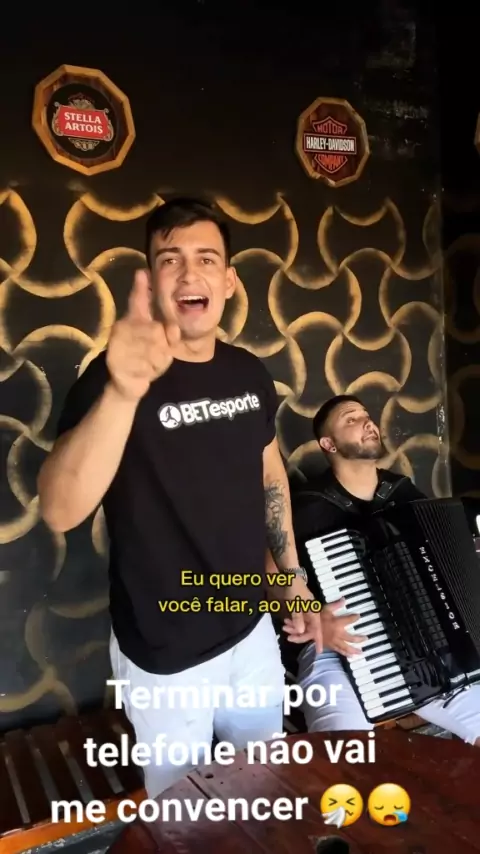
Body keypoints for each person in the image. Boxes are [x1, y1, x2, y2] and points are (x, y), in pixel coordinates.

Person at [37, 197, 322, 797]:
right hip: (165, 655)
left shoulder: (248, 374)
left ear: (229, 280)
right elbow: (61, 509)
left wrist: (289, 578)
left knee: (264, 789)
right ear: (151, 277)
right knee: (182, 820)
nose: (190, 273)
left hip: (250, 633)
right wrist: (123, 393)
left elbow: (270, 478)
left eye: (206, 258)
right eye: (170, 259)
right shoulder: (109, 378)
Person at [281, 393, 480, 746]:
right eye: (351, 418)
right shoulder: (306, 508)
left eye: (366, 415)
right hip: (334, 647)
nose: (367, 422)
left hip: (421, 647)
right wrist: (312, 614)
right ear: (328, 444)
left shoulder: (402, 493)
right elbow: (270, 573)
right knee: (345, 756)